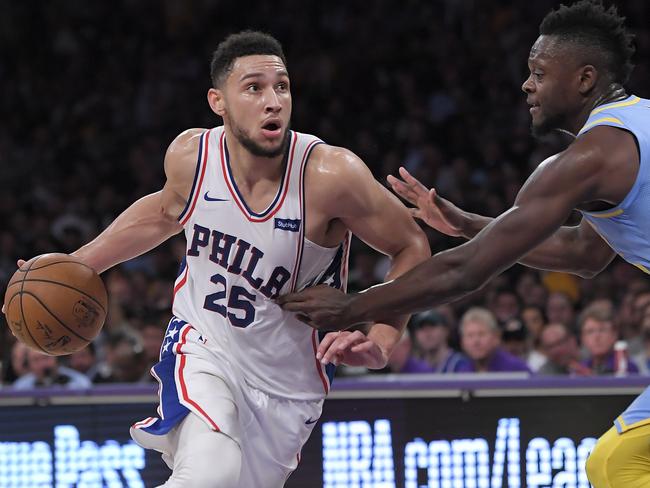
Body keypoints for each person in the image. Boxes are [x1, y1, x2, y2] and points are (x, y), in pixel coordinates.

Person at [5, 31, 429, 487]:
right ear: (217, 101)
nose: (273, 101)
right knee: (212, 469)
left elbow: (411, 246)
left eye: (281, 87)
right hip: (202, 344)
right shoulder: (192, 156)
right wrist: (74, 266)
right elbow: (166, 211)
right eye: (254, 87)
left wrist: (383, 338)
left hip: (288, 386)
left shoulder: (330, 175)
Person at [278, 1, 650, 485]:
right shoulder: (635, 125)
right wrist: (473, 224)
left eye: (538, 72)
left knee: (617, 463)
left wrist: (353, 306)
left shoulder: (590, 157)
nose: (527, 85)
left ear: (584, 79)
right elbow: (584, 253)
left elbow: (465, 272)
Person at [455, 307, 530, 373]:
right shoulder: (462, 371)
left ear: (496, 338)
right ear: (462, 342)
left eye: (481, 334)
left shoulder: (516, 368)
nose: (476, 341)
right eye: (470, 335)